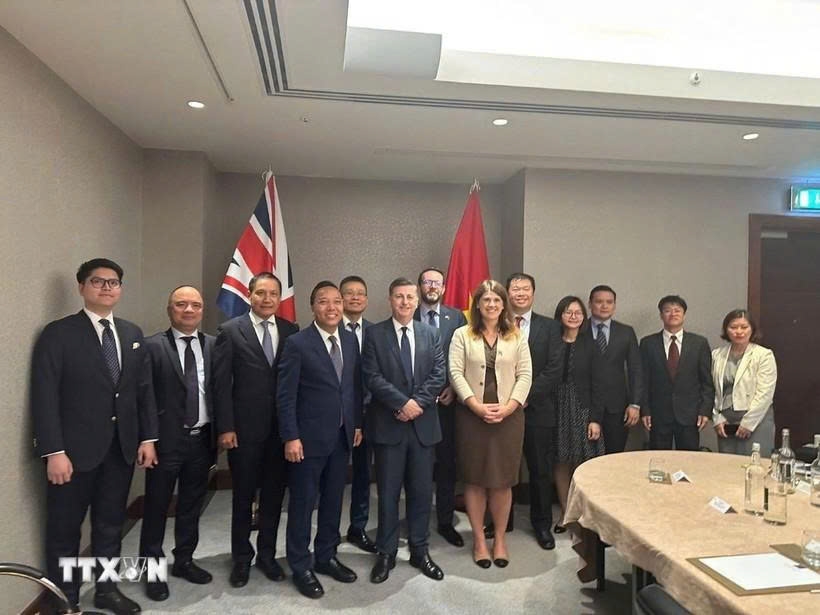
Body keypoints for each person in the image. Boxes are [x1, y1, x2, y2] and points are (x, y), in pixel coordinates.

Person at [32, 258, 158, 615]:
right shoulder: (58, 333)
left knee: (110, 524)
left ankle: (106, 590)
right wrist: (53, 450)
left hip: (120, 450)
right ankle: (64, 599)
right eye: (98, 281)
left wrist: (147, 439)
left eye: (113, 282)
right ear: (82, 287)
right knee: (64, 530)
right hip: (71, 455)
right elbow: (44, 395)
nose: (107, 288)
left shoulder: (132, 334)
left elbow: (141, 392)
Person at [277, 282, 363, 599]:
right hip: (307, 441)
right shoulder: (298, 343)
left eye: (337, 301)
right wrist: (291, 436)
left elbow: (353, 387)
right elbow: (285, 396)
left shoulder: (351, 340)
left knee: (332, 502)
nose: (332, 307)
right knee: (302, 505)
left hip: (341, 437)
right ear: (313, 307)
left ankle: (326, 556)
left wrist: (356, 424)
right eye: (324, 302)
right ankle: (300, 565)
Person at [213, 272, 299, 588]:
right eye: (260, 293)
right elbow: (221, 385)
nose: (266, 299)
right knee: (243, 496)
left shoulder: (292, 331)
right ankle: (241, 558)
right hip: (244, 431)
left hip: (281, 433)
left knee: (275, 497)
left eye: (273, 294)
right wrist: (226, 427)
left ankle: (266, 555)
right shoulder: (230, 331)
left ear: (280, 298)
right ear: (249, 295)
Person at [361, 277, 446, 584]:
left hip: (423, 426)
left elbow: (439, 374)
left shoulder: (431, 334)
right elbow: (371, 376)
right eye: (399, 297)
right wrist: (401, 403)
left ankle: (420, 550)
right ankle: (385, 552)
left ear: (417, 299)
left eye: (410, 297)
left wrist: (416, 404)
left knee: (422, 493)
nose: (406, 302)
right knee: (387, 493)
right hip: (389, 425)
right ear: (390, 299)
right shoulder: (374, 334)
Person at [449, 280, 532, 568]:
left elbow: (526, 375)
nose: (492, 305)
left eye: (497, 301)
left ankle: (499, 539)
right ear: (477, 305)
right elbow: (455, 373)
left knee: (502, 480)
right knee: (474, 479)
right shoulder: (462, 335)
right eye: (486, 301)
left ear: (504, 305)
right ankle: (479, 541)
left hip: (508, 419)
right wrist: (474, 405)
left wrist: (509, 407)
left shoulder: (517, 336)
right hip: (472, 417)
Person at [139, 286, 215, 602]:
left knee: (191, 505)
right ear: (169, 309)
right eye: (181, 304)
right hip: (164, 443)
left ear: (202, 311)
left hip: (202, 441)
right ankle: (152, 570)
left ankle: (184, 560)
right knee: (157, 507)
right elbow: (143, 398)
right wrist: (147, 439)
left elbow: (220, 391)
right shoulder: (152, 346)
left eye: (195, 305)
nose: (188, 310)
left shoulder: (214, 345)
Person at [506, 273, 562, 548]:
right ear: (507, 293)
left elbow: (554, 368)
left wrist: (524, 396)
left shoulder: (550, 327)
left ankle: (542, 525)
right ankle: (501, 521)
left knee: (540, 470)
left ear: (533, 293)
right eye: (515, 289)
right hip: (503, 410)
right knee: (504, 467)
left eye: (525, 289)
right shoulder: (497, 322)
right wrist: (510, 400)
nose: (520, 293)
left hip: (538, 409)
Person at [414, 267, 468, 547]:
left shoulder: (456, 317)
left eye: (437, 282)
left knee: (447, 464)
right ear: (419, 286)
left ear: (444, 288)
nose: (432, 286)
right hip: (415, 405)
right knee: (417, 466)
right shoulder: (407, 314)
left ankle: (445, 521)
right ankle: (416, 521)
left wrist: (453, 388)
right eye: (426, 282)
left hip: (447, 404)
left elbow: (461, 356)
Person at [551, 296, 605, 522]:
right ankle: (566, 513)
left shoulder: (591, 344)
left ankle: (584, 514)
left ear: (584, 317)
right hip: (556, 409)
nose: (573, 316)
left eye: (578, 313)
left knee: (584, 462)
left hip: (583, 409)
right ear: (560, 316)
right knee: (560, 460)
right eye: (568, 312)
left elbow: (599, 383)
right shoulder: (551, 342)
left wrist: (595, 418)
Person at [640, 295, 714, 451]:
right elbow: (643, 380)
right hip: (658, 414)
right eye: (667, 310)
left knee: (689, 460)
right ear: (661, 315)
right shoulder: (648, 343)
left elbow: (706, 381)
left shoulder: (699, 343)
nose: (672, 314)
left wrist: (705, 410)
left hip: (690, 414)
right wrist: (645, 410)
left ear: (684, 314)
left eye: (677, 310)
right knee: (658, 460)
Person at [339, 275, 377, 554]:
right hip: (335, 417)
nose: (355, 297)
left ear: (366, 299)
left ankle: (357, 527)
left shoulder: (377, 333)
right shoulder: (323, 329)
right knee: (332, 476)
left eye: (360, 293)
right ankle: (327, 530)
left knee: (363, 474)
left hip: (369, 414)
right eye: (349, 293)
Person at [586, 285, 643, 454]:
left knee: (614, 454)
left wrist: (635, 404)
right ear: (590, 304)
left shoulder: (626, 332)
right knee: (584, 456)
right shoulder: (580, 329)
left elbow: (636, 369)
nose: (604, 306)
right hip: (585, 404)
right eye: (599, 302)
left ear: (614, 305)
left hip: (617, 406)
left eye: (609, 302)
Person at [711, 309, 777, 455]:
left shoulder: (763, 355)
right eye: (733, 327)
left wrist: (748, 423)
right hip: (726, 420)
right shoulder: (717, 355)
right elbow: (712, 390)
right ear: (726, 330)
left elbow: (765, 394)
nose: (739, 331)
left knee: (755, 464)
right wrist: (716, 417)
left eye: (744, 327)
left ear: (752, 329)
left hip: (756, 418)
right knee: (727, 467)